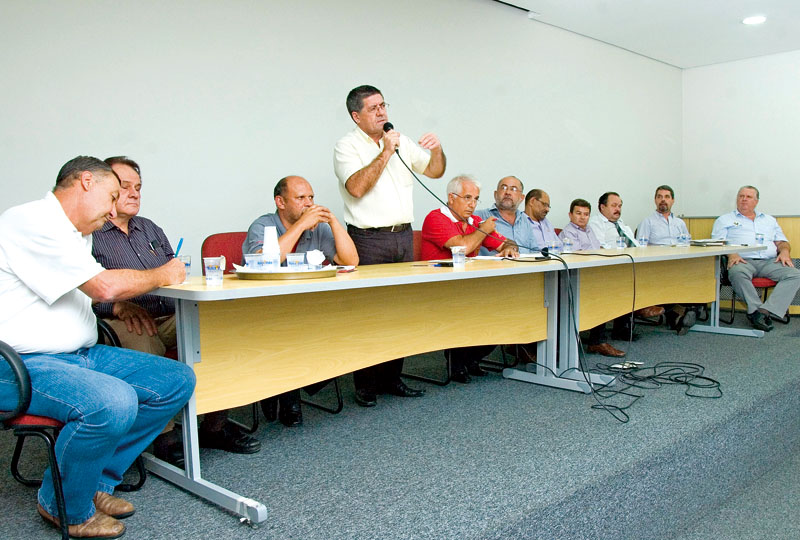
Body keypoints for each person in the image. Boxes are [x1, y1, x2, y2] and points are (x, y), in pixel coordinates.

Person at [0, 156, 196, 538]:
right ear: (86, 181)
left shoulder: (76, 232)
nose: (112, 210)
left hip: (80, 355)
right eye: (111, 196)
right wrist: (166, 272)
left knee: (175, 380)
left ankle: (95, 483)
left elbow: (83, 291)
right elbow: (103, 286)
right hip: (22, 364)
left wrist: (120, 302)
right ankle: (64, 505)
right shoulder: (30, 221)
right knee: (113, 400)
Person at [92, 157, 260, 464]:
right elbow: (81, 291)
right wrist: (116, 305)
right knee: (142, 343)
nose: (134, 193)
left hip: (169, 312)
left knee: (215, 332)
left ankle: (215, 424)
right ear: (107, 188)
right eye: (125, 186)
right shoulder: (91, 232)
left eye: (139, 187)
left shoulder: (150, 228)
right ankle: (164, 435)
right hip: (117, 320)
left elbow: (175, 272)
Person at [333, 84, 445, 407]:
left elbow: (435, 171)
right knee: (369, 315)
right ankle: (366, 386)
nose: (382, 112)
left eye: (383, 105)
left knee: (400, 312)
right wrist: (384, 151)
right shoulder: (346, 146)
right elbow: (356, 187)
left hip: (403, 236)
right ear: (356, 116)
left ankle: (392, 378)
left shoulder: (401, 140)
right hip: (368, 240)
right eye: (373, 108)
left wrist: (437, 149)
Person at [243, 175, 359, 424]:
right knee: (289, 332)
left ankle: (286, 387)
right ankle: (286, 395)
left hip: (309, 307)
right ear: (280, 202)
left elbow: (350, 261)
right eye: (300, 198)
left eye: (311, 198)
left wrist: (334, 221)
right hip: (267, 310)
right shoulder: (263, 225)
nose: (309, 204)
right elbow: (264, 262)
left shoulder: (319, 227)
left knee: (350, 329)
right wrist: (300, 226)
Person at [421, 175, 516, 382]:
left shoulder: (474, 222)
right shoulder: (436, 217)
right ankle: (458, 361)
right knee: (470, 309)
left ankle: (469, 359)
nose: (472, 205)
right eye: (467, 198)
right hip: (438, 290)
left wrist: (509, 249)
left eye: (476, 199)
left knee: (505, 310)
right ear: (451, 197)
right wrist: (483, 230)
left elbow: (506, 243)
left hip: (468, 288)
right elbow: (462, 247)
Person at [711, 185, 800, 331]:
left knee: (795, 275)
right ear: (737, 199)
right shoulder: (724, 220)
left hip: (770, 261)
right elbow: (718, 243)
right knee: (737, 273)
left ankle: (762, 312)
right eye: (741, 196)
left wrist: (784, 251)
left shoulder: (769, 220)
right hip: (742, 260)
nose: (744, 199)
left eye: (748, 197)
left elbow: (782, 242)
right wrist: (732, 254)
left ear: (756, 201)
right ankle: (756, 310)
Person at [588, 192, 665, 340]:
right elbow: (599, 247)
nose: (618, 209)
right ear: (602, 207)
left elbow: (634, 243)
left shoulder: (621, 223)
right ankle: (640, 307)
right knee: (625, 281)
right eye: (614, 205)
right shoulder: (595, 223)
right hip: (607, 267)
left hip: (625, 264)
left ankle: (629, 319)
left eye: (620, 205)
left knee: (648, 271)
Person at [558, 199, 626, 357]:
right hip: (574, 277)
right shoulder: (568, 232)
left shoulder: (589, 230)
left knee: (613, 289)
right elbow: (578, 256)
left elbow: (597, 250)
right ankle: (597, 341)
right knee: (601, 294)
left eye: (586, 214)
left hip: (591, 274)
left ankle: (597, 341)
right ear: (570, 214)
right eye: (578, 213)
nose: (582, 217)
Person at [636, 185, 697, 334]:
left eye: (667, 197)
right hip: (656, 265)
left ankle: (679, 312)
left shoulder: (680, 223)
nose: (663, 200)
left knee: (697, 274)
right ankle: (679, 312)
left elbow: (687, 244)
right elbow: (639, 248)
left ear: (673, 201)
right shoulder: (647, 222)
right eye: (659, 197)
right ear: (655, 200)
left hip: (679, 263)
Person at [474, 176, 539, 254]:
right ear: (495, 194)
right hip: (495, 265)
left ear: (521, 198)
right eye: (504, 188)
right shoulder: (479, 217)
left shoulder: (525, 220)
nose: (508, 192)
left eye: (513, 189)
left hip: (526, 265)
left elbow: (534, 251)